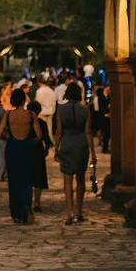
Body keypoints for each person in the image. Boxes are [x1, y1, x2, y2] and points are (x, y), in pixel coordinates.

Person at [55, 81, 93, 224]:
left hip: (67, 143)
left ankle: (70, 211)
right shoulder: (85, 110)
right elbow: (88, 132)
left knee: (67, 179)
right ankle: (80, 211)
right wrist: (93, 153)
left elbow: (59, 131)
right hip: (81, 144)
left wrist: (56, 148)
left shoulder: (61, 109)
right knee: (80, 179)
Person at [0, 88, 37, 224]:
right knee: (26, 179)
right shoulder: (31, 115)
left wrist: (7, 137)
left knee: (13, 181)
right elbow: (39, 135)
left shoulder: (8, 115)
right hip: (26, 147)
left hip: (12, 146)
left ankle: (16, 213)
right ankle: (27, 204)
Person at [27, 99, 51, 213]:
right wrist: (46, 149)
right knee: (38, 177)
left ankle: (28, 201)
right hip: (37, 151)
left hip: (26, 150)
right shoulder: (41, 123)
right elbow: (46, 138)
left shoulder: (24, 123)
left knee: (27, 176)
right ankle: (37, 201)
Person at [91, 82, 111, 153]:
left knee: (106, 132)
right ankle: (103, 146)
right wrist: (104, 113)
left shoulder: (108, 96)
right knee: (103, 131)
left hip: (107, 116)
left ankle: (104, 146)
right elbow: (100, 107)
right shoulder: (100, 96)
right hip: (102, 116)